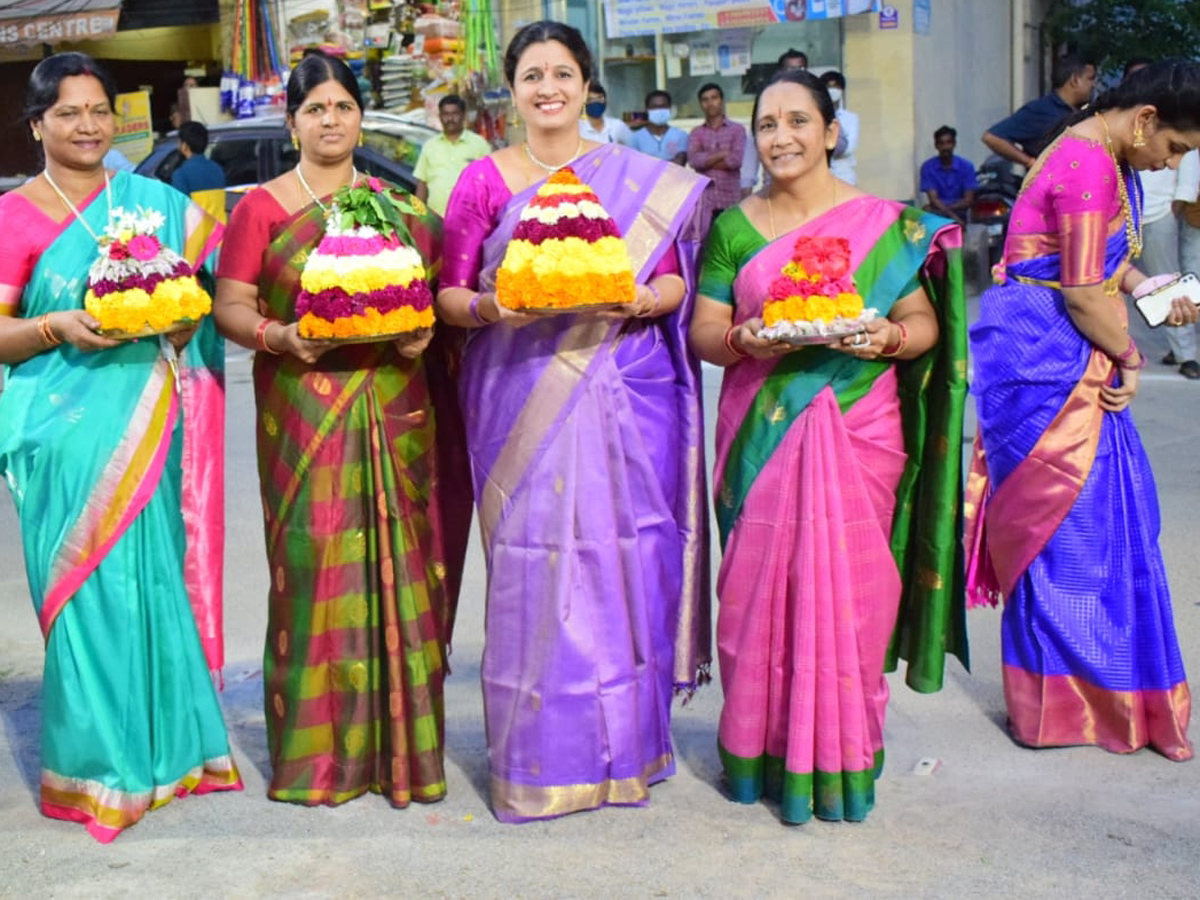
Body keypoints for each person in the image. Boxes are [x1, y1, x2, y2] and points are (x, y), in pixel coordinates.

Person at [436, 20, 711, 823]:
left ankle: (627, 751)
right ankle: (540, 760)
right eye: (531, 75)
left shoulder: (636, 177)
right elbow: (450, 298)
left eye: (562, 73)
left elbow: (668, 288)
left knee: (627, 557)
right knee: (534, 570)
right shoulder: (484, 182)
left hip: (626, 387)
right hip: (518, 385)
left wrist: (638, 299)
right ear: (512, 90)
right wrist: (496, 307)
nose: (547, 88)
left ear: (589, 86)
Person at [689, 69, 967, 825]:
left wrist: (891, 335)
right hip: (761, 434)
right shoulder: (734, 229)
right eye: (768, 125)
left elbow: (922, 324)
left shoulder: (885, 223)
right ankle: (759, 757)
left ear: (831, 131)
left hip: (861, 426)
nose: (781, 137)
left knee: (855, 599)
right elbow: (706, 333)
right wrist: (745, 338)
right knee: (755, 600)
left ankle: (842, 760)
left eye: (798, 122)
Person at [213, 51, 464, 809]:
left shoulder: (400, 205)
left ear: (360, 117)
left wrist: (423, 337)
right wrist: (277, 338)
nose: (330, 120)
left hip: (396, 405)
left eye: (342, 107)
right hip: (302, 408)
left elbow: (434, 293)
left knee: (405, 567)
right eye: (315, 108)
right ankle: (318, 762)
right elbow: (229, 306)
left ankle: (406, 758)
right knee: (315, 566)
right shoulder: (261, 209)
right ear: (292, 121)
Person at [0, 52, 240, 843]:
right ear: (36, 125)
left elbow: (197, 300)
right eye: (67, 113)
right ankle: (98, 770)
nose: (87, 125)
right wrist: (55, 327)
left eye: (98, 110)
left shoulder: (153, 202)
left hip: (151, 422)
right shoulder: (14, 217)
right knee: (85, 604)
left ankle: (168, 758)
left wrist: (182, 317)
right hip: (61, 438)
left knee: (152, 586)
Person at [965, 60, 1200, 762]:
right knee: (1063, 531)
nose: (1170, 165)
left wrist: (1146, 282)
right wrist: (1130, 355)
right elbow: (1079, 292)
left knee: (1106, 526)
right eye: (1177, 149)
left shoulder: (1104, 153)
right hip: (1043, 355)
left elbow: (1102, 264)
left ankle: (1104, 696)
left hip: (1059, 345)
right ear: (1146, 119)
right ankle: (1065, 707)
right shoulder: (1090, 164)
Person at [983, 53, 1097, 169]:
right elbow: (992, 137)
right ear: (1075, 80)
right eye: (1090, 79)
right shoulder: (1040, 110)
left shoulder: (1080, 114)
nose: (1094, 85)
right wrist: (1030, 162)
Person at [413, 93, 491, 216]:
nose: (450, 119)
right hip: (437, 220)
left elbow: (491, 183)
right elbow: (422, 185)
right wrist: (418, 217)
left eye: (455, 114)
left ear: (463, 115)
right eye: (446, 114)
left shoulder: (479, 144)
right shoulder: (430, 146)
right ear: (440, 116)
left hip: (471, 220)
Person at [688, 82, 747, 228]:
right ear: (701, 104)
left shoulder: (737, 130)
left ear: (721, 100)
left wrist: (706, 162)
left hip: (730, 200)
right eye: (705, 99)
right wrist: (722, 154)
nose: (710, 103)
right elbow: (694, 161)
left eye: (714, 98)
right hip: (705, 202)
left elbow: (735, 161)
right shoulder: (697, 133)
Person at [920, 125, 978, 226]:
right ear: (936, 146)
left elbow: (968, 200)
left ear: (954, 144)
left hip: (960, 212)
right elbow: (934, 200)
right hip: (938, 213)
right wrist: (954, 218)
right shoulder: (928, 167)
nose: (945, 147)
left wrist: (949, 212)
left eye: (949, 142)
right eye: (941, 143)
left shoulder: (966, 166)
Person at [819, 70, 858, 184]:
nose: (832, 90)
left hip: (844, 173)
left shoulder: (850, 118)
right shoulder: (817, 116)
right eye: (828, 86)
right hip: (821, 174)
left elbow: (848, 149)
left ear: (842, 90)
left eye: (835, 86)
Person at [630, 89, 688, 165]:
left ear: (670, 109)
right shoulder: (636, 138)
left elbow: (679, 163)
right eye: (654, 107)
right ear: (646, 110)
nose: (659, 110)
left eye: (663, 107)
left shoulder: (681, 135)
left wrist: (650, 164)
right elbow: (635, 164)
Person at [171, 121, 226, 194]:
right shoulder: (218, 170)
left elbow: (179, 204)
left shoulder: (181, 174)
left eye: (179, 142)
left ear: (185, 146)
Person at [579, 80, 632, 146]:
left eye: (599, 98)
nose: (596, 102)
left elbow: (634, 147)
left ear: (606, 101)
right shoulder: (577, 128)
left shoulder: (617, 125)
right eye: (591, 100)